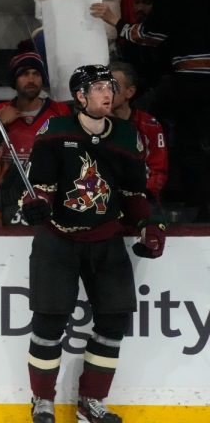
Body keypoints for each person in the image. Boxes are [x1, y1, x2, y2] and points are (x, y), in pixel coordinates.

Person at [19, 65, 166, 423]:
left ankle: (91, 401)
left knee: (114, 321)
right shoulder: (56, 131)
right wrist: (33, 207)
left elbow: (134, 193)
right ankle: (42, 401)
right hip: (59, 240)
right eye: (99, 87)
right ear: (80, 96)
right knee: (49, 322)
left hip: (105, 239)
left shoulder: (127, 136)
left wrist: (149, 222)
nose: (107, 94)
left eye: (111, 87)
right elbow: (39, 188)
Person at [91, 0, 210, 221]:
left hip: (192, 80)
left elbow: (149, 35)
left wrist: (116, 21)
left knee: (178, 136)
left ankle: (193, 203)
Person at [0, 51, 70, 164]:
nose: (31, 80)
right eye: (24, 74)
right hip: (6, 181)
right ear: (14, 80)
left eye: (36, 74)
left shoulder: (60, 110)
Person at [109, 61, 168, 206]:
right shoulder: (91, 124)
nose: (106, 92)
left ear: (130, 92)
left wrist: (138, 194)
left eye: (113, 87)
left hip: (142, 198)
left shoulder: (149, 125)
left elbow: (158, 171)